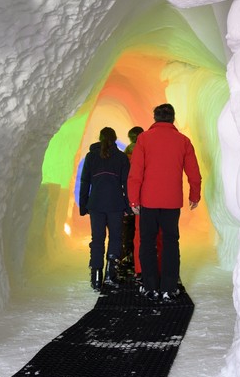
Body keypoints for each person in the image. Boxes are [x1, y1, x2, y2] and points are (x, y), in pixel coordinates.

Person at [128, 104, 201, 301]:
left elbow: (135, 173)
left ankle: (150, 286)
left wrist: (134, 198)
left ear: (155, 118)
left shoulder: (143, 139)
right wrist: (195, 194)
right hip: (171, 202)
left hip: (148, 202)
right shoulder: (183, 141)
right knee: (170, 242)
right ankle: (169, 287)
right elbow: (194, 173)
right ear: (172, 118)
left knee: (147, 242)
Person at [78, 126, 130, 291]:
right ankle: (110, 274)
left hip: (96, 204)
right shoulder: (121, 158)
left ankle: (96, 277)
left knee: (97, 239)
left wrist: (83, 204)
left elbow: (85, 181)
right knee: (115, 238)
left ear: (100, 138)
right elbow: (127, 183)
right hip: (115, 203)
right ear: (115, 139)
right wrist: (128, 205)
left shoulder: (91, 156)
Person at [121, 126, 146, 278]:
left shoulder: (125, 155)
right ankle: (141, 262)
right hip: (143, 197)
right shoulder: (144, 152)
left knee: (127, 231)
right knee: (143, 232)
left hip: (127, 196)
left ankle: (128, 259)